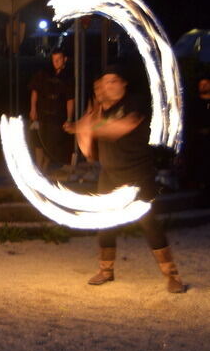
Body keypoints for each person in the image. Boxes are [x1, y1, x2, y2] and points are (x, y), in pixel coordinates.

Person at [67, 66, 186, 293]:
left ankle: (172, 275)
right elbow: (88, 151)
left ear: (124, 83)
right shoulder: (99, 109)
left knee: (148, 223)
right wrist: (86, 125)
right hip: (109, 173)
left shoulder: (136, 103)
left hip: (138, 173)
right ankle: (106, 269)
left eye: (112, 81)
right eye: (103, 82)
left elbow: (120, 128)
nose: (107, 86)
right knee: (105, 222)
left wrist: (88, 126)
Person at [29, 48, 75, 172]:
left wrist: (69, 118)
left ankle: (43, 169)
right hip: (42, 114)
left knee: (51, 144)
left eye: (59, 59)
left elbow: (70, 99)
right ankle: (39, 169)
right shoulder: (45, 73)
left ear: (64, 59)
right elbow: (35, 90)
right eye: (54, 59)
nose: (56, 62)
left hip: (57, 116)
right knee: (38, 142)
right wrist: (33, 109)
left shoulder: (69, 77)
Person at [183, 75, 210, 192]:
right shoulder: (194, 103)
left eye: (205, 84)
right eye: (201, 85)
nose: (203, 87)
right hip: (198, 140)